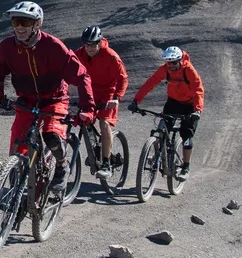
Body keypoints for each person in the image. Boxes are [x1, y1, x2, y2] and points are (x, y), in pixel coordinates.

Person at [0, 1, 95, 193]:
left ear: (37, 24)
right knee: (18, 144)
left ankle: (62, 165)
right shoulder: (6, 47)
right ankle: (18, 186)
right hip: (26, 100)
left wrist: (88, 109)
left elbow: (81, 76)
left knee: (52, 136)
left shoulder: (53, 46)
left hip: (55, 98)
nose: (19, 27)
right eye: (15, 22)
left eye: (24, 22)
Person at [128, 46, 204, 181]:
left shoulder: (189, 70)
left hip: (190, 105)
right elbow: (150, 83)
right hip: (173, 102)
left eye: (174, 62)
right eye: (168, 62)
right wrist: (136, 100)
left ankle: (185, 167)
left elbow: (198, 89)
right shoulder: (165, 69)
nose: (171, 66)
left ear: (180, 60)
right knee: (161, 129)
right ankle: (158, 153)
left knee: (186, 136)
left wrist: (197, 110)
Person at [74, 25, 128, 180]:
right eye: (86, 44)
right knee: (83, 119)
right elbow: (67, 67)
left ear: (99, 42)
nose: (89, 48)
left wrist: (116, 98)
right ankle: (95, 150)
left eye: (93, 44)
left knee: (104, 123)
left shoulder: (111, 56)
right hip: (90, 91)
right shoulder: (80, 53)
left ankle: (106, 163)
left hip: (108, 93)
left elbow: (123, 79)